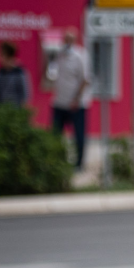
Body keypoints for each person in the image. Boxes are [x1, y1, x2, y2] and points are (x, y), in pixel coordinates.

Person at [50, 28, 91, 169]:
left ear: (75, 40)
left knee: (78, 136)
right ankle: (56, 162)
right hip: (60, 102)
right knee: (55, 134)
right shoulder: (60, 55)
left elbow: (85, 80)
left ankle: (79, 164)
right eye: (65, 39)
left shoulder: (81, 55)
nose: (67, 42)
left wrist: (76, 99)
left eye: (70, 39)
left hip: (76, 104)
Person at [0, 42, 31, 108]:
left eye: (1, 55)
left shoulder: (19, 72)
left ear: (8, 56)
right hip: (0, 110)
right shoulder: (0, 71)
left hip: (14, 110)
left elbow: (25, 94)